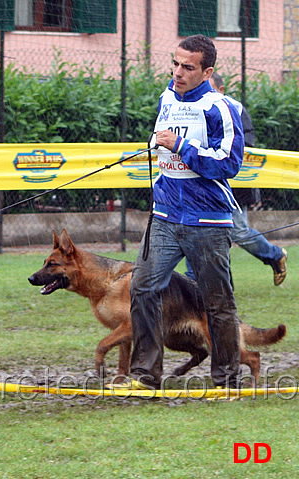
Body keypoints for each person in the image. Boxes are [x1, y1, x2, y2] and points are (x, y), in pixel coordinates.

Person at [109, 35, 245, 390]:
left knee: (217, 302)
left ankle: (227, 381)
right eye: (175, 63)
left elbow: (229, 164)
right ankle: (145, 376)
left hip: (208, 222)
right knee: (142, 289)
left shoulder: (222, 108)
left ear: (207, 71)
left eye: (188, 67)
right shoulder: (166, 98)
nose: (178, 72)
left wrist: (181, 145)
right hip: (165, 216)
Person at [184, 72, 288, 286]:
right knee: (199, 230)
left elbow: (244, 147)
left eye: (208, 86)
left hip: (234, 186)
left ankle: (274, 255)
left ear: (220, 90)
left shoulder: (234, 109)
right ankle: (202, 285)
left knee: (237, 231)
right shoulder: (195, 108)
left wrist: (211, 153)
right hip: (203, 185)